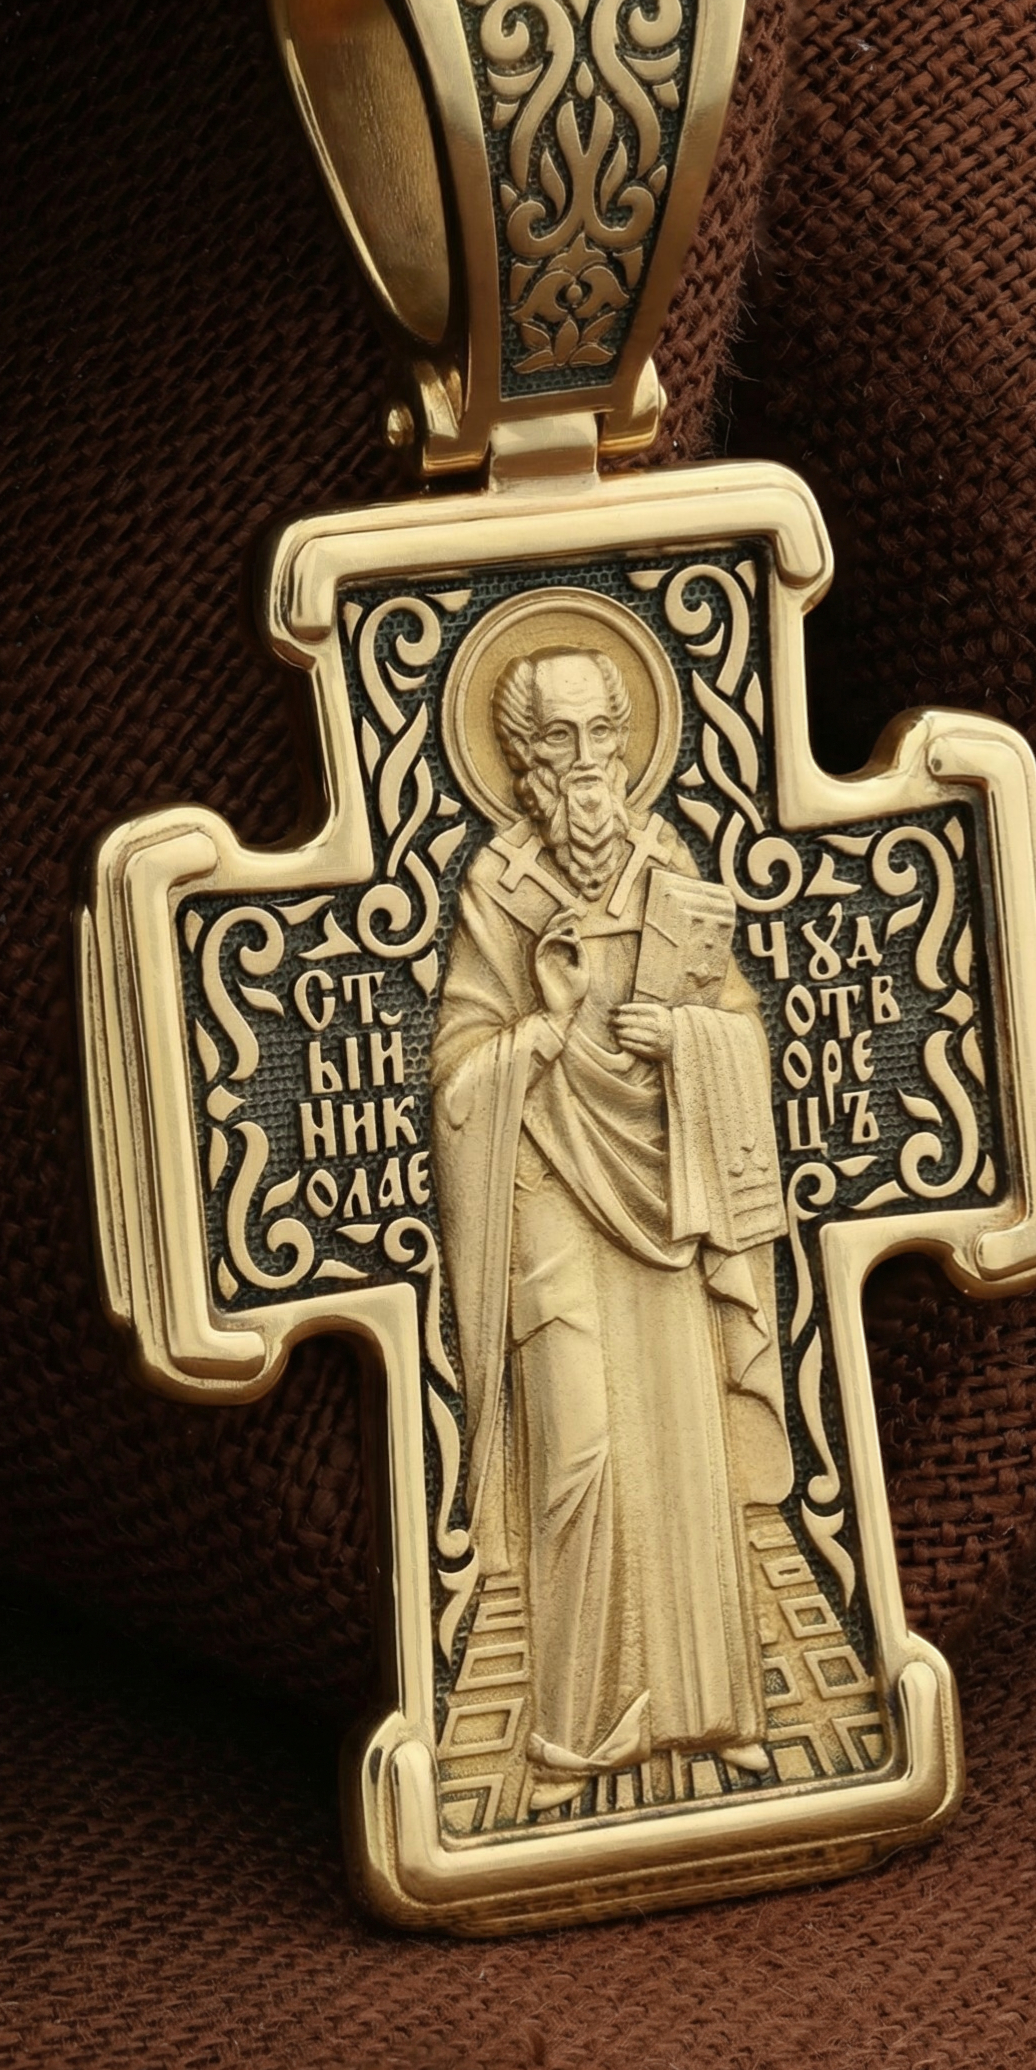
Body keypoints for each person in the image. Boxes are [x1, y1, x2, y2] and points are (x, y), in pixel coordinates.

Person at [431, 642, 792, 1810]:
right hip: (545, 1184)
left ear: (629, 748)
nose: (586, 764)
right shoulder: (497, 887)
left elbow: (735, 1021)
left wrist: (681, 1039)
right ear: (523, 762)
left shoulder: (666, 862)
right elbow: (458, 1078)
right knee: (580, 1453)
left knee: (683, 1442)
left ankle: (718, 1711)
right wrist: (542, 1031)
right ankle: (575, 1735)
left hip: (664, 1187)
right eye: (559, 740)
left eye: (602, 736)